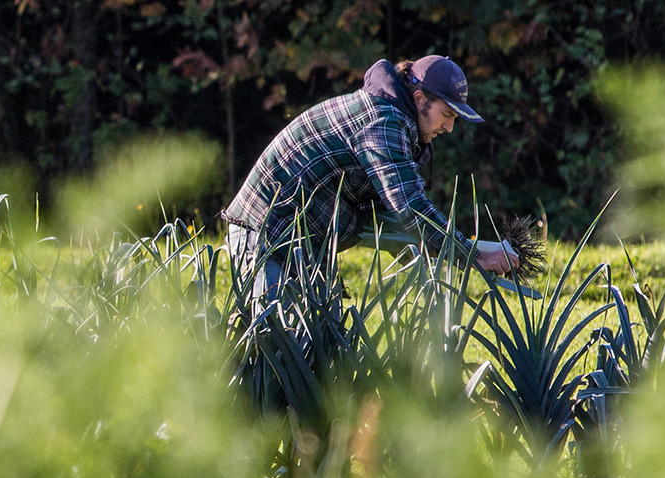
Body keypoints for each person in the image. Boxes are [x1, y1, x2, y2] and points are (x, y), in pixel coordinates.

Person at [222, 55, 520, 318]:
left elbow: (389, 218)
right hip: (266, 238)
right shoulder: (382, 122)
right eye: (447, 115)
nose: (449, 127)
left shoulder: (394, 120)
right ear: (419, 98)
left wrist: (455, 251)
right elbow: (411, 210)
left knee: (320, 351)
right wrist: (475, 256)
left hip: (306, 245)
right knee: (276, 356)